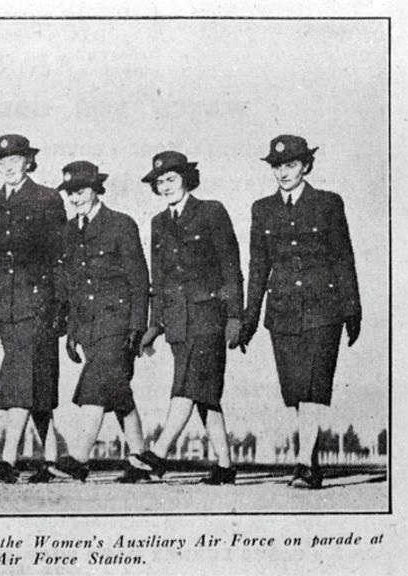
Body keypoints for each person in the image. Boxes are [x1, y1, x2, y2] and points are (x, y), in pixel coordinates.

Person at [239, 135, 361, 489]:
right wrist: (249, 318)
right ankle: (308, 457)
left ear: (306, 166)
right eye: (277, 166)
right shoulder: (261, 209)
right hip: (283, 312)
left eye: (290, 165)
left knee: (313, 387)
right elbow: (258, 266)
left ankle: (306, 463)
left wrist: (352, 309)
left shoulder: (328, 204)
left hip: (325, 309)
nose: (283, 172)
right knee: (294, 391)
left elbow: (343, 258)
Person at [139, 151, 244, 485]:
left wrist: (235, 315)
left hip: (209, 315)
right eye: (160, 182)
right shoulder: (158, 223)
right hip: (178, 320)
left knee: (187, 385)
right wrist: (155, 324)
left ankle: (157, 455)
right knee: (203, 393)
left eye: (171, 179)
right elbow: (159, 277)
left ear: (186, 178)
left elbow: (231, 267)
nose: (165, 187)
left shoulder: (211, 212)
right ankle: (225, 465)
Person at [48, 161, 152, 483]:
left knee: (95, 386)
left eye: (80, 191)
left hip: (118, 323)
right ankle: (140, 461)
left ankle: (78, 459)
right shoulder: (67, 231)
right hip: (90, 327)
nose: (74, 198)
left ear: (96, 189)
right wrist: (71, 331)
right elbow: (73, 286)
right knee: (119, 394)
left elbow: (139, 280)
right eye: (69, 193)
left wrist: (137, 328)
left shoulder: (121, 224)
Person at [0, 134, 67, 483]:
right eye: (2, 161)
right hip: (5, 305)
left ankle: (8, 459)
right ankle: (51, 459)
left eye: (16, 159)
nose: (9, 166)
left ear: (29, 161)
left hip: (38, 303)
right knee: (35, 379)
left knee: (21, 377)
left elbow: (62, 256)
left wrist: (61, 304)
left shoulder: (47, 198)